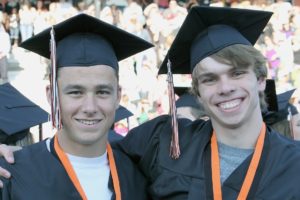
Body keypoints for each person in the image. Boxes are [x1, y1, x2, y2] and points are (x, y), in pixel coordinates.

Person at [116, 6, 300, 199]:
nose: (225, 88)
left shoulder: (295, 164)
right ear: (198, 92)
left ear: (261, 80)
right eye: (209, 79)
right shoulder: (163, 143)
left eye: (237, 73)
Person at [0, 13, 152, 199]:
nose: (90, 107)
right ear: (51, 96)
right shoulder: (13, 175)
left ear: (118, 96)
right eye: (75, 92)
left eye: (102, 92)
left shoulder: (139, 175)